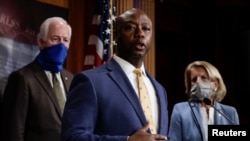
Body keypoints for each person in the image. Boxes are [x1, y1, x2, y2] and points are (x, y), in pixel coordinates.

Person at [61, 8, 169, 141]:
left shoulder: (160, 90)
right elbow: (72, 137)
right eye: (130, 27)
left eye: (146, 29)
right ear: (116, 34)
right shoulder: (90, 82)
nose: (140, 33)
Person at [1, 17, 74, 141]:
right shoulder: (22, 78)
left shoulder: (71, 78)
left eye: (65, 40)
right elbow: (13, 131)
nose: (61, 45)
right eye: (55, 39)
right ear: (41, 42)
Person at [168, 60, 239, 141]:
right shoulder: (180, 110)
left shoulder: (230, 113)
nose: (198, 82)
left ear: (215, 84)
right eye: (194, 79)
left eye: (203, 77)